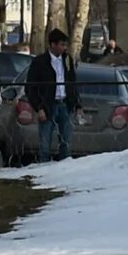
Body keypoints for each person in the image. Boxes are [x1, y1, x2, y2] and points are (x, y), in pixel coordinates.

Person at [24, 26, 79, 160]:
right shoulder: (40, 62)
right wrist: (39, 108)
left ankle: (64, 168)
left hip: (65, 104)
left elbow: (72, 83)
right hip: (48, 105)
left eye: (65, 45)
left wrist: (77, 103)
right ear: (52, 45)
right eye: (62, 45)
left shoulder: (67, 60)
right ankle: (44, 170)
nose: (64, 48)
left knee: (66, 143)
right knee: (45, 144)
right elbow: (30, 87)